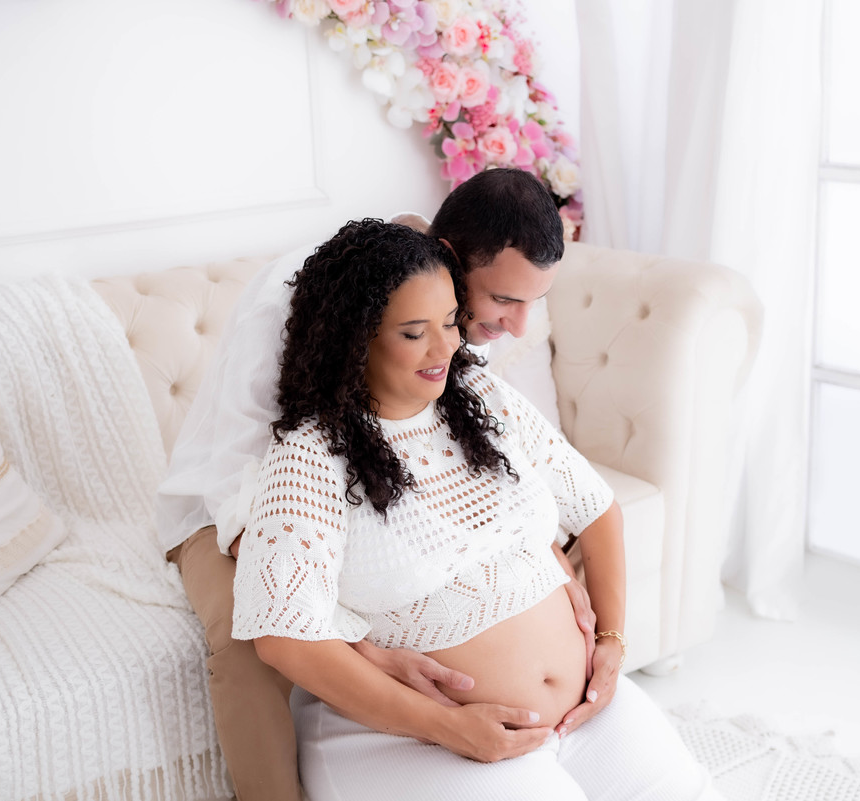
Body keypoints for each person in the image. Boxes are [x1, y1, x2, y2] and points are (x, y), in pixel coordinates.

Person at [232, 219, 719, 800]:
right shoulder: (309, 457)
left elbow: (595, 505)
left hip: (580, 712)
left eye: (448, 322)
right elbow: (285, 639)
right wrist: (450, 726)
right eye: (414, 334)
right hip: (412, 736)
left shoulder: (477, 397)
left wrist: (613, 639)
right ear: (353, 338)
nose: (446, 349)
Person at [158, 170, 587, 800]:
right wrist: (348, 632)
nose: (514, 325)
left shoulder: (447, 310)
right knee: (247, 642)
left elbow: (465, 443)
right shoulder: (296, 302)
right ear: (449, 259)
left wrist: (535, 551)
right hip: (229, 503)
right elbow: (242, 476)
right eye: (501, 301)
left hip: (340, 483)